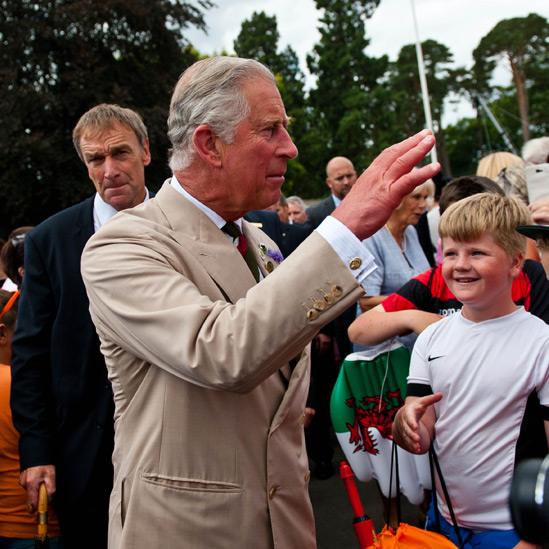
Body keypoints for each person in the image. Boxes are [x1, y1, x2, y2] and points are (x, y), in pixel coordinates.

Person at [80, 56, 439, 549]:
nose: (290, 148)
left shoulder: (261, 244)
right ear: (209, 144)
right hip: (188, 533)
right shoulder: (122, 246)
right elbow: (222, 351)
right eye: (270, 130)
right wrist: (341, 231)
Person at [10, 104, 152, 549]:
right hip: (83, 451)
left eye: (120, 153)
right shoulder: (50, 240)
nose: (109, 170)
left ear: (146, 151)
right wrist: (37, 451)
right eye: (96, 159)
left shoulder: (185, 225)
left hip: (170, 440)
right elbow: (29, 351)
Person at [392, 193, 549, 548]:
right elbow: (420, 432)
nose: (460, 264)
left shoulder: (541, 343)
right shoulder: (430, 339)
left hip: (515, 530)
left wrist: (538, 538)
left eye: (476, 253)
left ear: (514, 262)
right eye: (450, 253)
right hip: (442, 522)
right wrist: (406, 425)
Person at [306, 156, 357, 229]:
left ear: (356, 175)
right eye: (340, 178)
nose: (346, 182)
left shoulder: (372, 206)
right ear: (329, 183)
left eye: (349, 176)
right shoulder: (314, 215)